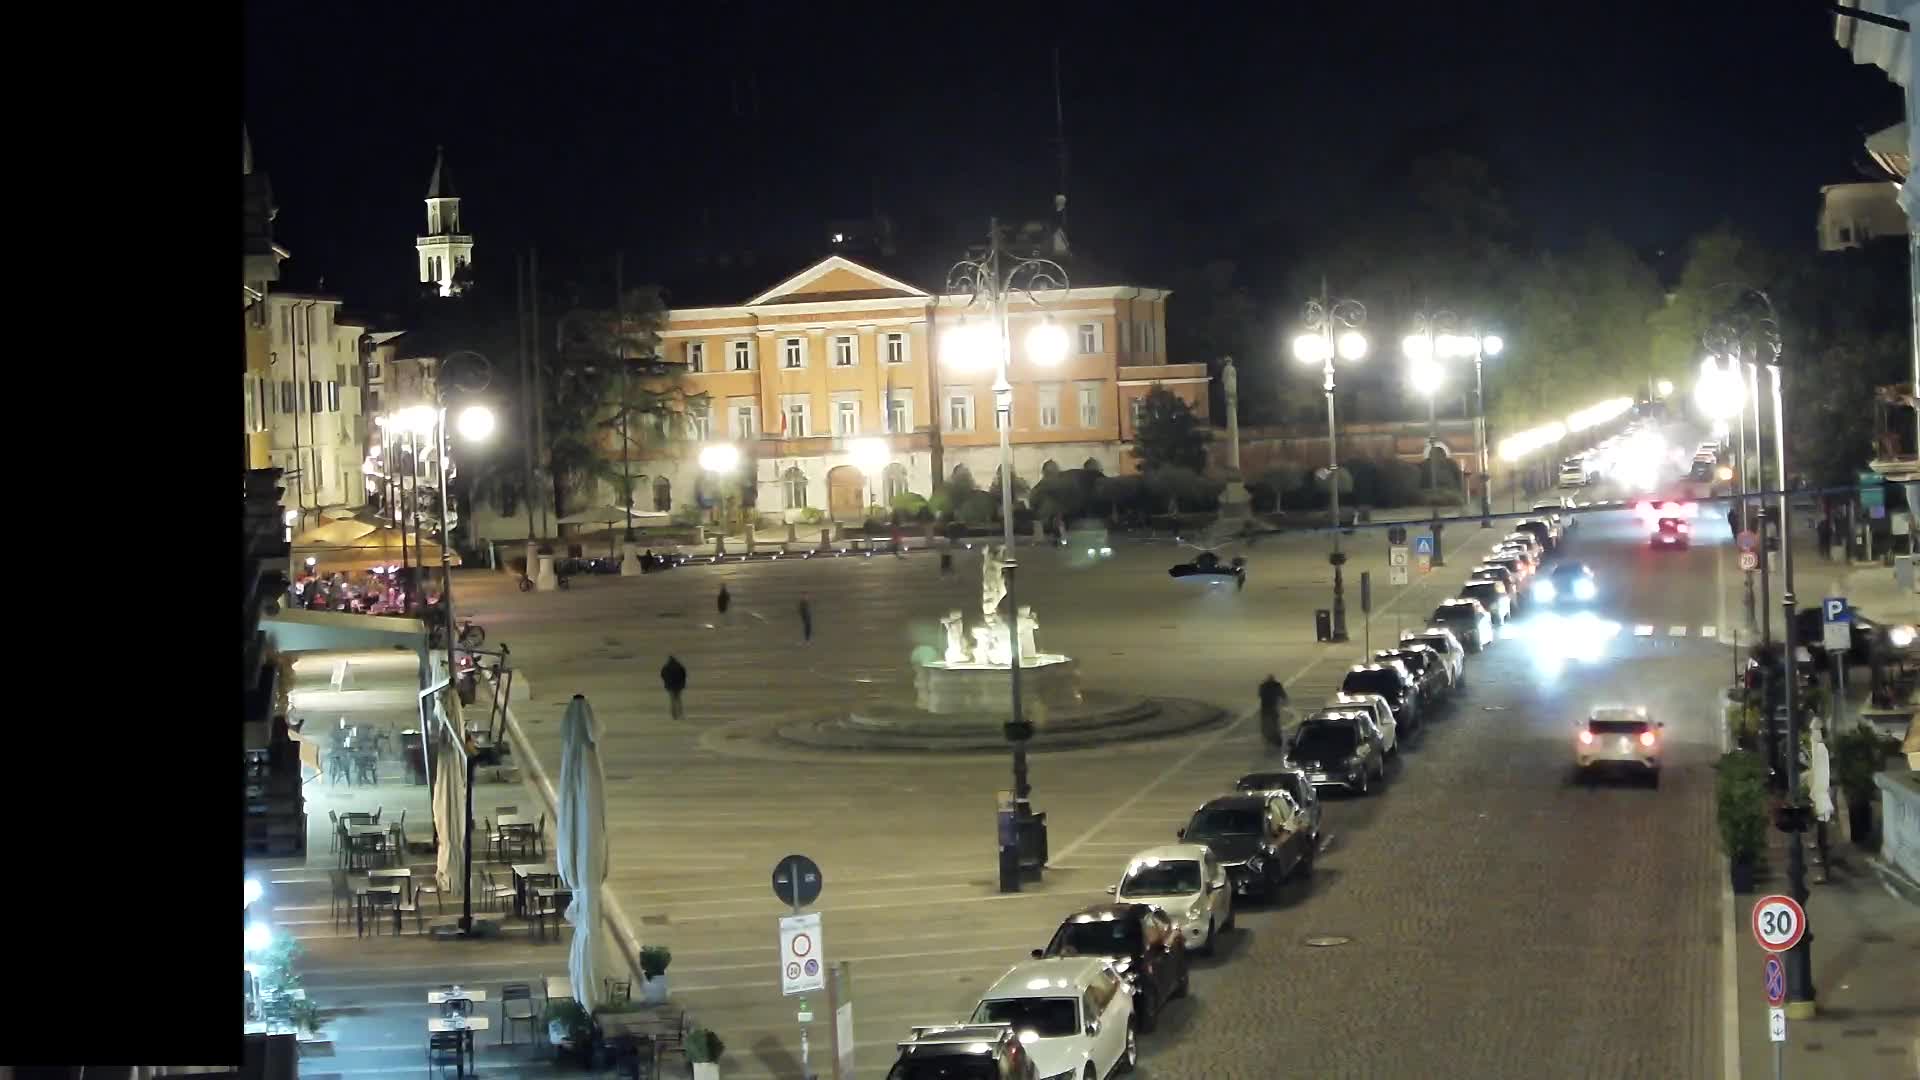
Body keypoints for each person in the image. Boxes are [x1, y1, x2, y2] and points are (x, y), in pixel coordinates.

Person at [660, 655, 688, 722]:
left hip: (670, 686)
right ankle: (680, 714)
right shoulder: (679, 666)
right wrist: (682, 683)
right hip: (678, 686)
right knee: (678, 700)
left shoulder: (666, 667)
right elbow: (684, 675)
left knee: (672, 701)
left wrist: (666, 682)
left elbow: (662, 675)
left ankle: (674, 715)